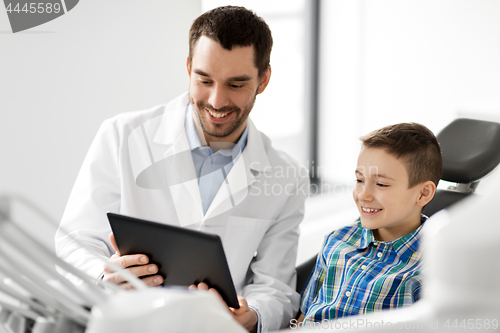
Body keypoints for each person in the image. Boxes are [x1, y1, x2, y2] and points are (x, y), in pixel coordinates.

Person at [55, 6, 309, 333]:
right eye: (204, 79)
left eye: (236, 84)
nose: (217, 101)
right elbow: (76, 242)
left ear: (263, 79)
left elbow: (276, 289)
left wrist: (253, 315)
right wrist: (105, 275)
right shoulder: (121, 136)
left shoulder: (287, 176)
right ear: (189, 68)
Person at [296, 123, 442, 326]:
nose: (363, 194)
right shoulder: (337, 241)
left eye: (381, 184)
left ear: (423, 193)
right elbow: (303, 317)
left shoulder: (433, 266)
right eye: (359, 180)